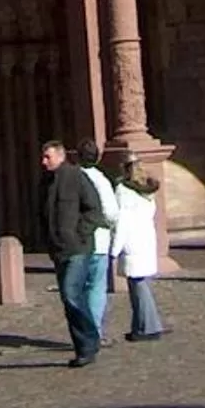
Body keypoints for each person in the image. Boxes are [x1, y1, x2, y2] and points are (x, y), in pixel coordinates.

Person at [38, 137, 105, 367]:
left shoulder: (76, 177)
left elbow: (94, 209)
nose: (43, 161)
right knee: (69, 302)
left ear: (60, 155)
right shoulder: (46, 182)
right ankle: (83, 348)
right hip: (58, 250)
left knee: (71, 294)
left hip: (78, 248)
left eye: (48, 156)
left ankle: (90, 340)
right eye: (43, 156)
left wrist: (79, 234)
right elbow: (43, 214)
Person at [111, 164, 167, 341]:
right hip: (145, 240)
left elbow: (122, 222)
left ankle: (149, 326)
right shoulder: (147, 193)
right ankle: (139, 326)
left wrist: (114, 249)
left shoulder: (123, 192)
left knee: (139, 287)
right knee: (139, 286)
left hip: (132, 242)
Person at [75, 140, 119, 351]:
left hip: (76, 241)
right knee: (95, 288)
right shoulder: (100, 180)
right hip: (98, 241)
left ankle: (83, 333)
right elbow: (112, 214)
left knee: (79, 289)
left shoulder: (71, 178)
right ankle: (94, 332)